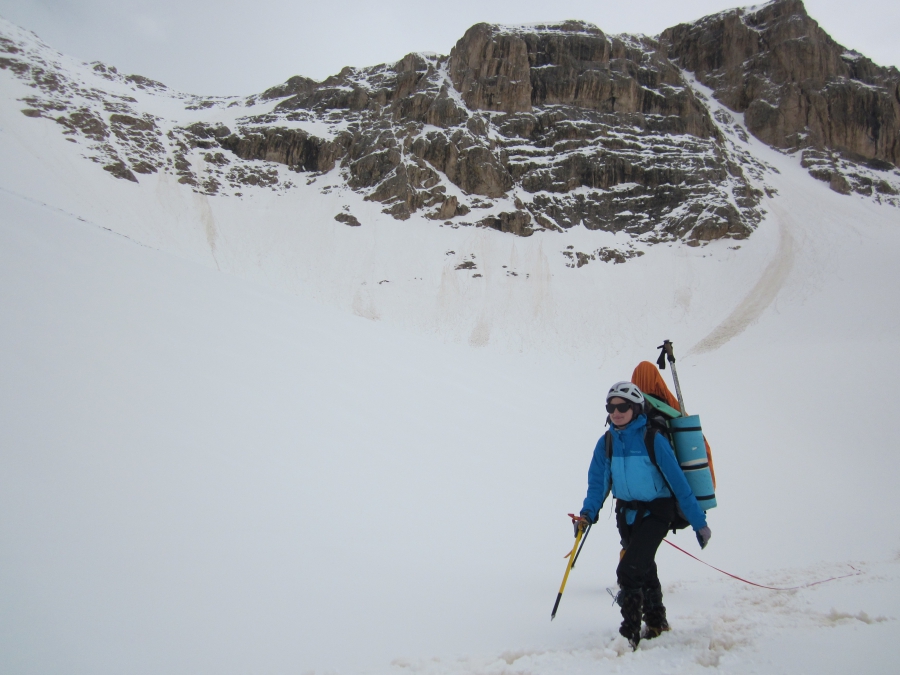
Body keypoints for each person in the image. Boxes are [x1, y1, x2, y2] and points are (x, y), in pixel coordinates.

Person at [576, 381, 712, 650]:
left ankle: (629, 634)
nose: (616, 412)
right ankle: (657, 622)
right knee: (645, 568)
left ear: (636, 408)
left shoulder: (653, 439)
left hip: (656, 512)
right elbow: (598, 484)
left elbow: (678, 483)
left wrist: (699, 523)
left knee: (629, 569)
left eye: (622, 406)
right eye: (611, 407)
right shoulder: (607, 443)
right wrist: (587, 513)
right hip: (625, 514)